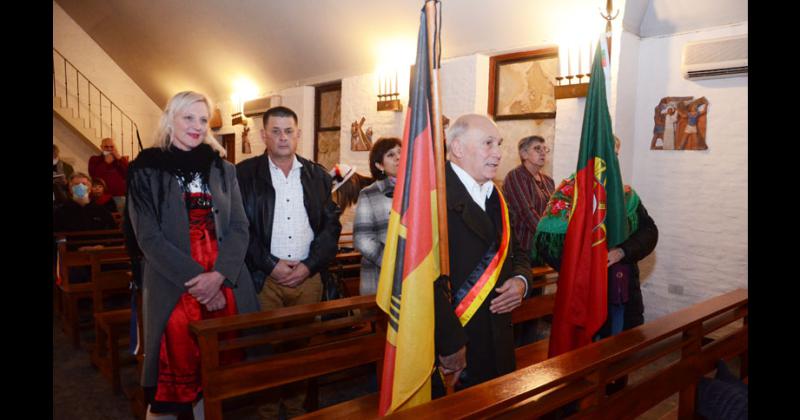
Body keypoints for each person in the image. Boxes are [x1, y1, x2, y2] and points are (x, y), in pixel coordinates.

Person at [127, 91, 259, 420]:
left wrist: (217, 278)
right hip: (174, 287)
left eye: (203, 120)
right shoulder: (145, 169)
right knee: (172, 380)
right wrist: (200, 283)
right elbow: (148, 237)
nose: (197, 126)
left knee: (217, 378)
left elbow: (241, 227)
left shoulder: (224, 168)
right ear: (170, 118)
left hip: (226, 284)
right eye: (189, 117)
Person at [236, 106, 341, 418]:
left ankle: (295, 409)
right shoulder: (244, 174)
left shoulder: (317, 175)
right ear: (264, 135)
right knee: (263, 350)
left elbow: (330, 228)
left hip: (307, 278)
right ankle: (267, 411)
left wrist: (309, 266)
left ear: (298, 134)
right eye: (276, 131)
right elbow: (239, 228)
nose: (283, 137)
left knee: (301, 350)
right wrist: (271, 265)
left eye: (289, 131)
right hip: (263, 279)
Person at [533, 136, 657, 393]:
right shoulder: (569, 191)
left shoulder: (625, 193)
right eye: (603, 153)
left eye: (614, 153)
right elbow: (546, 241)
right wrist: (586, 264)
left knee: (620, 357)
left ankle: (615, 401)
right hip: (584, 292)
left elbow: (649, 231)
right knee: (583, 365)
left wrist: (622, 251)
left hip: (622, 291)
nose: (610, 158)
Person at [433, 114, 533, 396]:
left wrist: (521, 281)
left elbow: (519, 250)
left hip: (498, 335)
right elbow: (421, 279)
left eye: (499, 144)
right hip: (455, 340)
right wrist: (450, 344)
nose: (499, 153)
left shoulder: (497, 197)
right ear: (458, 148)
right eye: (488, 143)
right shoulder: (434, 197)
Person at [501, 135, 556, 345]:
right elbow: (528, 213)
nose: (543, 152)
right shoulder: (515, 177)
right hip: (523, 250)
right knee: (521, 303)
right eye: (536, 148)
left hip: (541, 250)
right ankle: (515, 347)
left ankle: (529, 344)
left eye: (544, 149)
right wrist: (555, 237)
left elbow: (555, 212)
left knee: (536, 301)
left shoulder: (548, 181)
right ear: (523, 154)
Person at [353, 137, 401, 295]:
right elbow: (362, 239)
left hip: (415, 275)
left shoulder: (418, 189)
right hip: (381, 275)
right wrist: (392, 263)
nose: (398, 157)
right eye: (391, 155)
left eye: (400, 152)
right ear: (379, 165)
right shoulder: (369, 193)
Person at [89, 137, 129, 211]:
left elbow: (129, 173)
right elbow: (94, 175)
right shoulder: (94, 159)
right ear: (101, 147)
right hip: (103, 197)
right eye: (106, 147)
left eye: (111, 147)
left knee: (122, 219)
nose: (109, 149)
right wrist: (105, 163)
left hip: (119, 196)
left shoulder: (120, 160)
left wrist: (120, 158)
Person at [53, 144, 74, 208]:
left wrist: (66, 183)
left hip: (61, 197)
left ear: (57, 153)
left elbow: (73, 185)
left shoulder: (67, 167)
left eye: (54, 153)